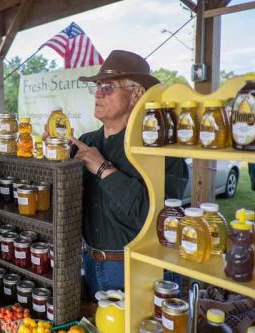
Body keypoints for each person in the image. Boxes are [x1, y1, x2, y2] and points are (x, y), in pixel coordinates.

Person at [65, 50, 187, 299]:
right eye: (97, 86)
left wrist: (104, 170)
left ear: (137, 94)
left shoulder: (160, 149)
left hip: (141, 270)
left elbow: (159, 220)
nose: (98, 93)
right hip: (91, 264)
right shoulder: (85, 143)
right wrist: (52, 157)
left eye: (108, 87)